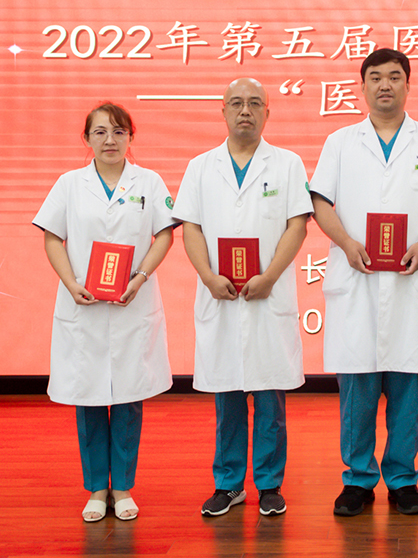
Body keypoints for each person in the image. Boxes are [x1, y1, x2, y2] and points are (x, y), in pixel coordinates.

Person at [309, 49, 418, 516]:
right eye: (375, 77)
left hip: (409, 281)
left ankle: (402, 478)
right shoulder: (340, 141)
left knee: (407, 390)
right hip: (357, 281)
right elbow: (319, 202)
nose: (385, 85)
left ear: (408, 85)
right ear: (362, 87)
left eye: (395, 77)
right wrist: (346, 243)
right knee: (357, 390)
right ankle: (357, 479)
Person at [172, 78, 312, 517]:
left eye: (254, 103)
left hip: (267, 296)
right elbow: (190, 227)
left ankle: (269, 484)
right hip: (222, 297)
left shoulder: (287, 164)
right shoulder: (200, 166)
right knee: (228, 396)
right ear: (223, 111)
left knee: (270, 398)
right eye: (236, 103)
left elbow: (297, 226)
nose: (245, 111)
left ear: (268, 112)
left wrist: (270, 277)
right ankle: (228, 484)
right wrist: (208, 277)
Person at [33, 102, 176, 522]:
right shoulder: (69, 184)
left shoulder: (148, 181)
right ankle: (97, 488)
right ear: (86, 139)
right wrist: (70, 283)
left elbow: (165, 234)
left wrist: (141, 277)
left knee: (129, 397)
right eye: (100, 132)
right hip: (85, 306)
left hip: (132, 303)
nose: (110, 140)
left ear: (130, 137)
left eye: (118, 132)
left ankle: (124, 487)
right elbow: (52, 238)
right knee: (89, 397)